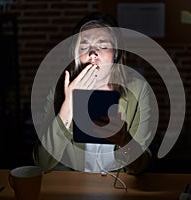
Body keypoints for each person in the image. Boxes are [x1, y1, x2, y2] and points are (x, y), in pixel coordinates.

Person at [33, 12, 154, 175]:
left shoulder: (138, 90)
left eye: (103, 46)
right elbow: (42, 163)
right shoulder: (59, 89)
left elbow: (142, 165)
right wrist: (68, 105)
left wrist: (124, 141)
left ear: (116, 53)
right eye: (84, 47)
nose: (93, 54)